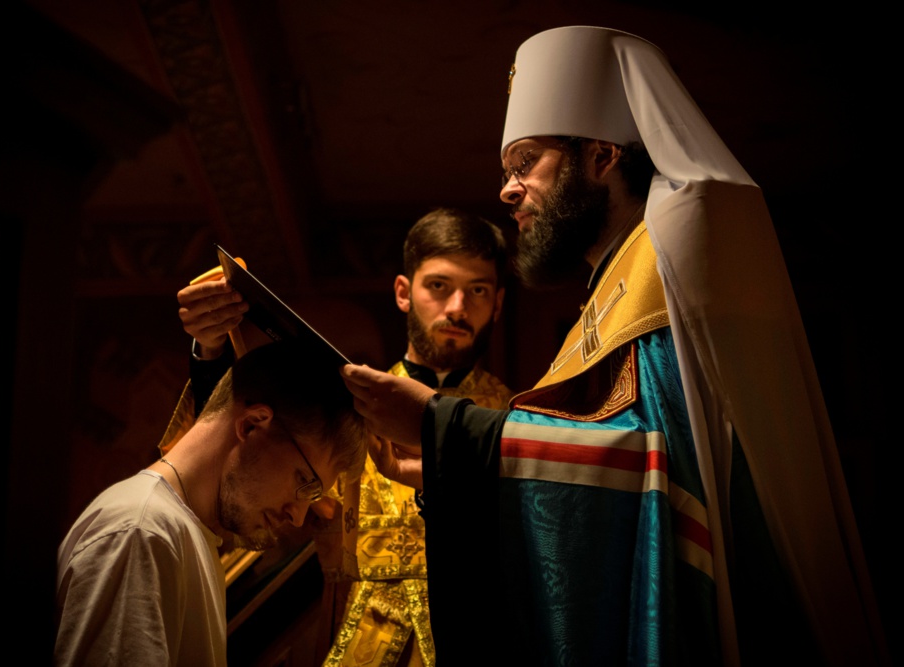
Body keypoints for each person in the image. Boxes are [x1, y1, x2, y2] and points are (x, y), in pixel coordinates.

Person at [340, 26, 887, 666]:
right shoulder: (605, 290)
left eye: (525, 163)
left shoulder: (675, 254)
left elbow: (664, 470)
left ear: (601, 157)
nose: (506, 189)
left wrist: (447, 430)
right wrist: (459, 464)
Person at [174, 208, 513, 666]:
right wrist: (211, 349)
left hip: (475, 633)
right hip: (357, 631)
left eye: (477, 290)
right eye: (438, 285)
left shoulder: (517, 422)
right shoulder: (348, 406)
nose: (457, 307)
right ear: (403, 293)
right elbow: (238, 472)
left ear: (497, 303)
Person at [54, 339, 367, 666]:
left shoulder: (179, 534)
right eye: (304, 481)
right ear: (251, 424)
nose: (299, 516)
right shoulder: (142, 533)